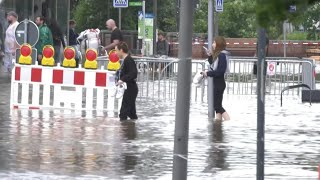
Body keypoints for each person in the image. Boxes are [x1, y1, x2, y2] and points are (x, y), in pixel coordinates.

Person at [202, 36, 230, 121]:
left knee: (217, 106)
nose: (212, 44)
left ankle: (228, 121)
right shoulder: (218, 54)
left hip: (219, 83)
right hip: (217, 83)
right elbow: (212, 64)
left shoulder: (222, 55)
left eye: (214, 42)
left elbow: (220, 71)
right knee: (217, 106)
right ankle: (218, 125)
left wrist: (207, 73)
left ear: (219, 44)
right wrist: (210, 55)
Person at [115, 42, 138, 121]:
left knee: (123, 114)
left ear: (121, 50)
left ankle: (125, 131)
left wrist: (123, 79)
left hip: (131, 89)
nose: (115, 53)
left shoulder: (128, 60)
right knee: (131, 113)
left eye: (116, 50)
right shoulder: (126, 60)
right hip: (129, 88)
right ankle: (131, 130)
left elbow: (134, 73)